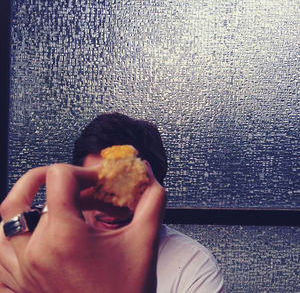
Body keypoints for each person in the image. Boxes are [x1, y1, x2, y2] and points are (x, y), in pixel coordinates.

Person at [1, 112, 225, 292]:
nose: (114, 204)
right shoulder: (28, 252)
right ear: (76, 184)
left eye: (128, 187)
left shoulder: (192, 265)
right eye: (98, 186)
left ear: (155, 193)